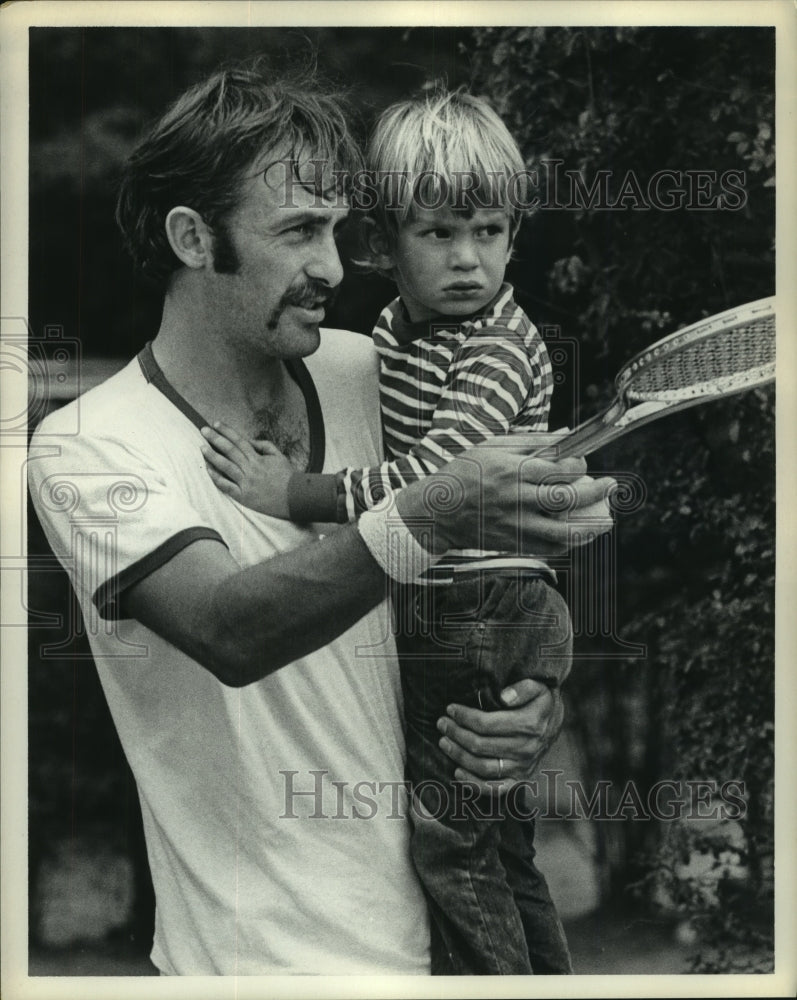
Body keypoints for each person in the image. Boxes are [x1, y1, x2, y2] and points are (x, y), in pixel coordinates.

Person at [27, 62, 615, 976]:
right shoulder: (90, 443)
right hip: (263, 967)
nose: (333, 269)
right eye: (299, 230)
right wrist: (434, 506)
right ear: (193, 237)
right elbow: (228, 628)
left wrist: (525, 702)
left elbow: (483, 570)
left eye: (338, 230)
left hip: (450, 949)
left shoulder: (378, 366)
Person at [200, 87, 574, 975]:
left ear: (514, 235)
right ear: (382, 244)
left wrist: (293, 493)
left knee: (451, 845)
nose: (467, 259)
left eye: (488, 231)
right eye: (437, 233)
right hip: (469, 602)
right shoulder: (393, 335)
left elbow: (434, 485)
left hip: (480, 604)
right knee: (497, 841)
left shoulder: (490, 347)